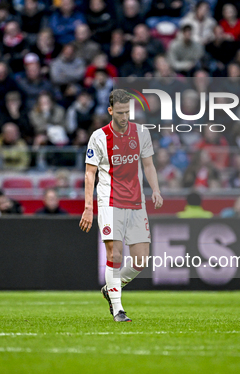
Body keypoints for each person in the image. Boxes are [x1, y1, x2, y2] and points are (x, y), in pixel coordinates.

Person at [79, 89, 163, 322]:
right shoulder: (99, 136)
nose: (125, 117)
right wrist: (88, 207)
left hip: (136, 201)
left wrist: (155, 189)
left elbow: (148, 165)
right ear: (110, 111)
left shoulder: (141, 132)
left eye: (127, 112)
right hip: (109, 200)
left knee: (140, 260)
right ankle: (118, 309)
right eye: (120, 112)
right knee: (114, 253)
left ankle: (110, 288)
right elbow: (90, 173)